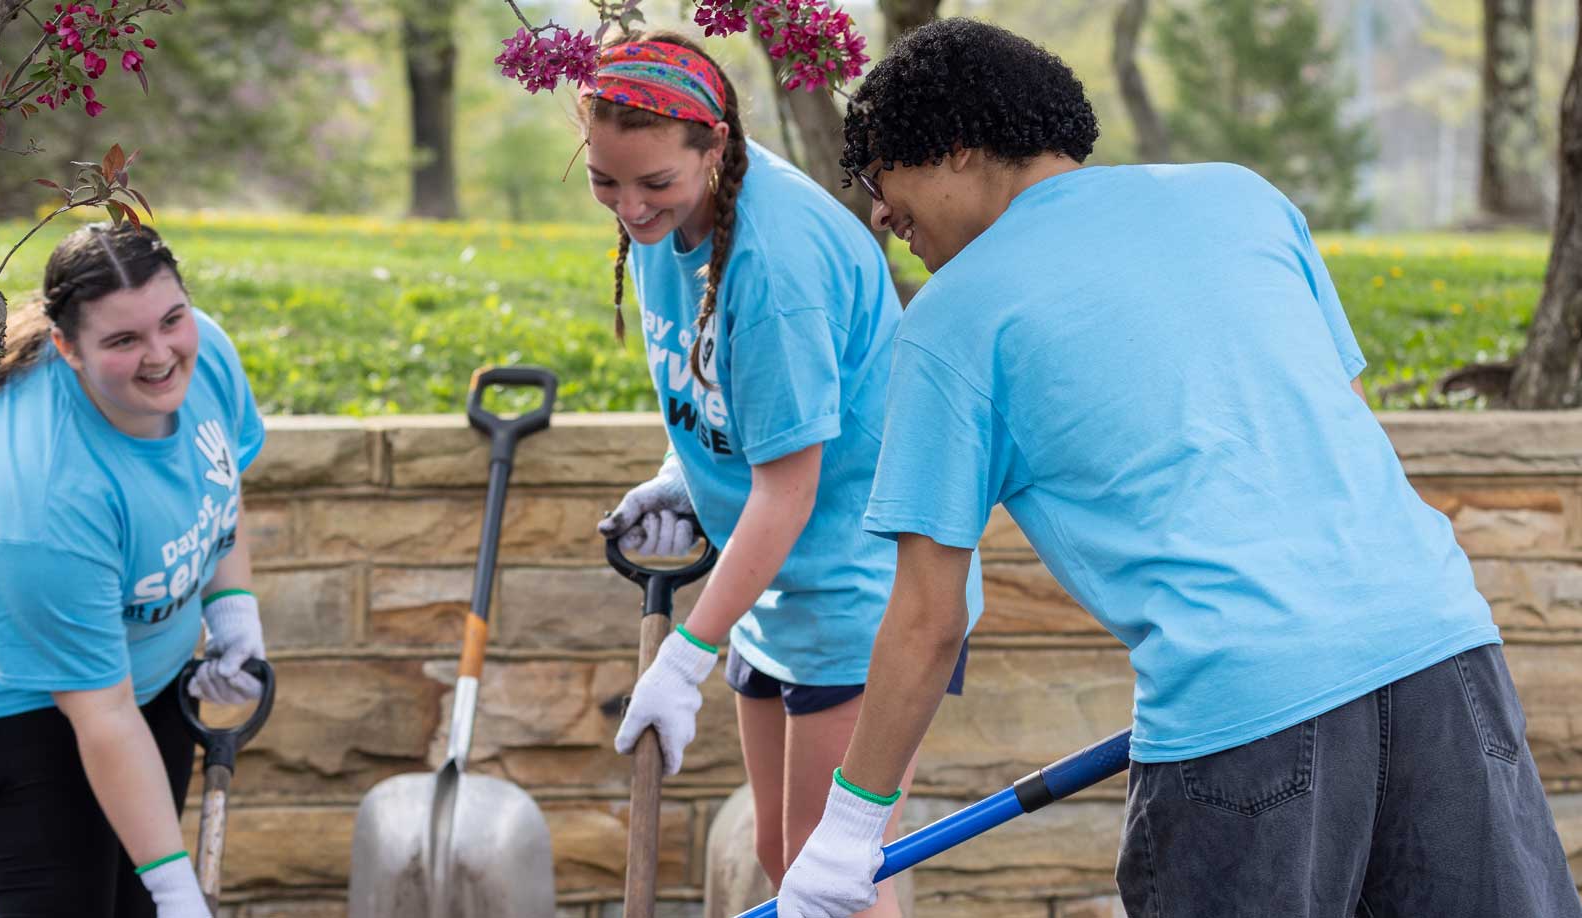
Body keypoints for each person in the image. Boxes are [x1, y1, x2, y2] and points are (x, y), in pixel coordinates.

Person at [776, 19, 1582, 918]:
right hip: (1444, 654)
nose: (880, 214)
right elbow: (1343, 430)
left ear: (957, 148)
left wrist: (846, 833)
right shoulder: (1242, 199)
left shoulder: (953, 318)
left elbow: (928, 618)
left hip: (1247, 708)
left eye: (882, 175)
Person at [580, 31, 983, 916]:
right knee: (778, 852)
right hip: (775, 584)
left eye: (654, 184)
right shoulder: (672, 221)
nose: (630, 208)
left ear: (715, 145)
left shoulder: (777, 264)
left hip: (859, 584)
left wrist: (684, 659)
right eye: (606, 180)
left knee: (824, 879)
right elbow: (729, 389)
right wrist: (682, 475)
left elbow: (788, 489)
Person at [0, 222, 269, 918]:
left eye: (170, 320)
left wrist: (233, 612)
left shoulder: (202, 354)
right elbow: (102, 714)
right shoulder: (43, 496)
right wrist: (180, 893)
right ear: (68, 348)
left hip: (145, 682)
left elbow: (219, 479)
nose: (160, 355)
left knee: (140, 901)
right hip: (17, 713)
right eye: (123, 341)